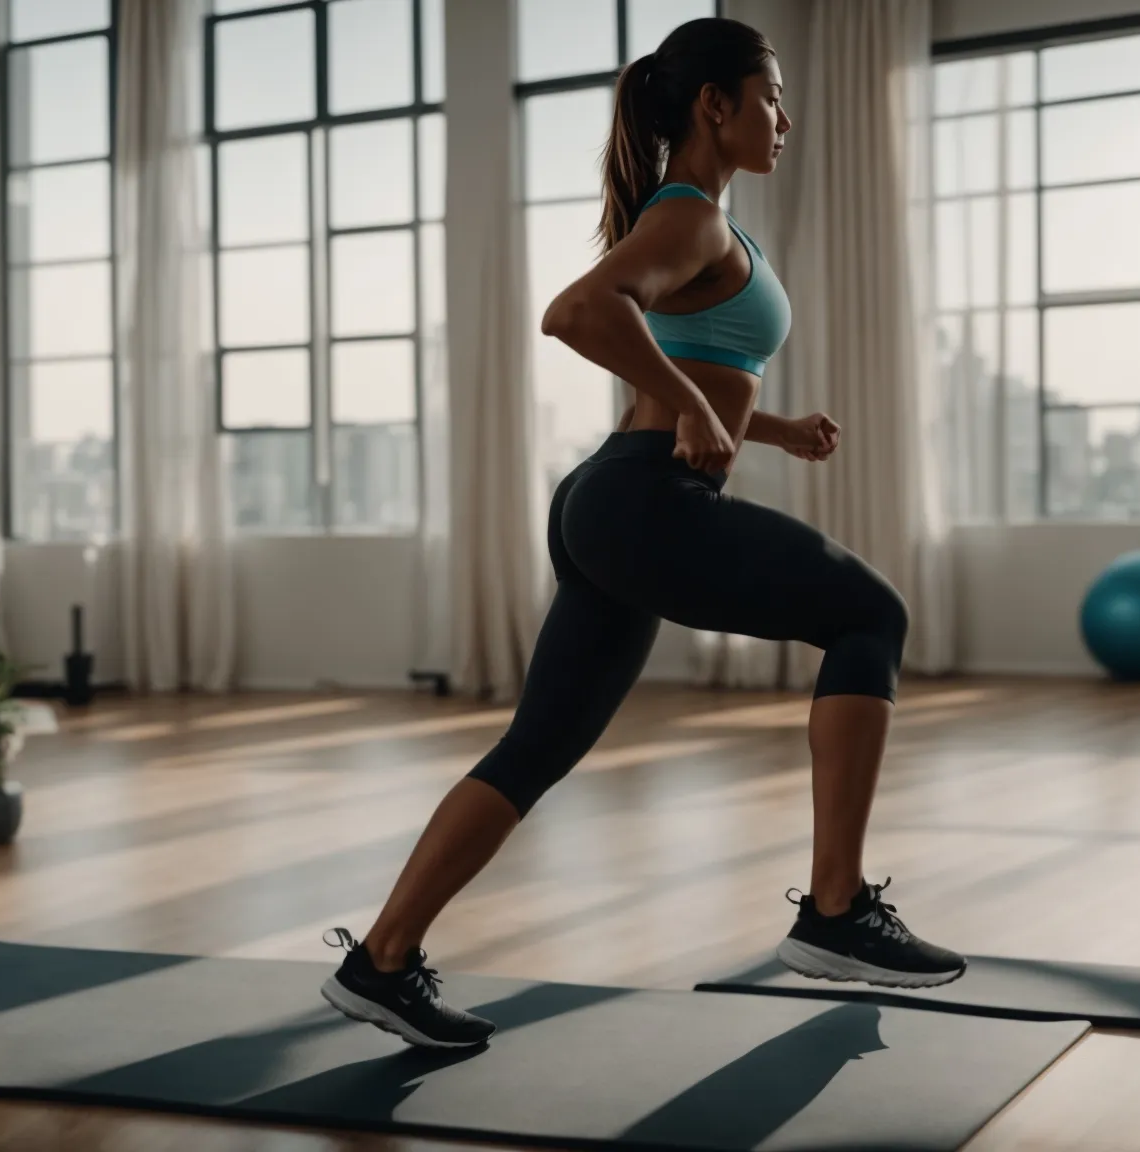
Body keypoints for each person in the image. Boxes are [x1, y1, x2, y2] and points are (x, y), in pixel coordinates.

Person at [318, 16, 965, 1050]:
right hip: (640, 499)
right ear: (715, 105)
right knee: (869, 615)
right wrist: (700, 411)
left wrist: (767, 424)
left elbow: (693, 361)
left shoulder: (710, 224)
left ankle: (380, 961)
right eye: (769, 97)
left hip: (616, 502)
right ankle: (835, 913)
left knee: (537, 746)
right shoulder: (687, 218)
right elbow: (576, 313)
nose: (784, 120)